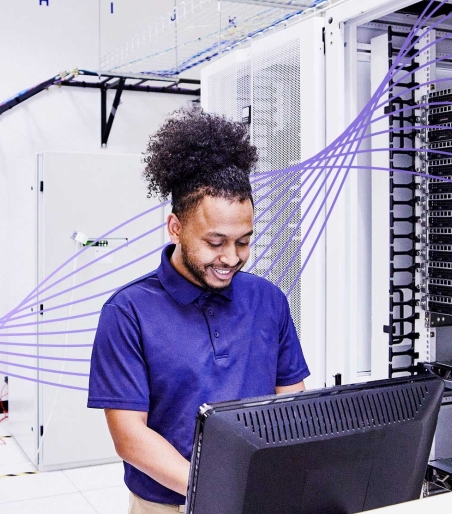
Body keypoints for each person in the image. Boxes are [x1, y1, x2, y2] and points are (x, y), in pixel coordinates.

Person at [86, 108, 310, 514]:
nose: (231, 257)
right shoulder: (128, 312)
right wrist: (214, 491)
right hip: (169, 503)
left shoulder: (268, 300)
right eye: (215, 241)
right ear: (175, 228)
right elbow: (129, 436)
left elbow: (290, 399)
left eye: (243, 241)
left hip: (258, 498)